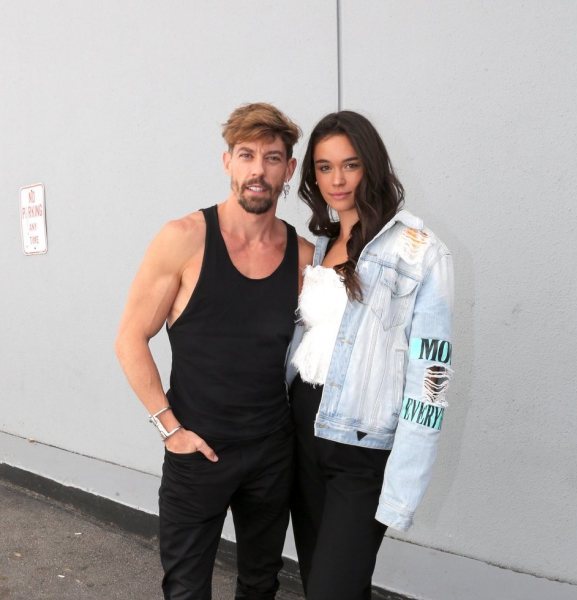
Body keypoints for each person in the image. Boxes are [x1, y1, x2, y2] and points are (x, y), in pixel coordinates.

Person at [115, 102, 313, 600]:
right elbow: (130, 338)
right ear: (227, 162)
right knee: (185, 589)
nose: (257, 170)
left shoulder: (302, 257)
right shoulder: (183, 239)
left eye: (272, 158)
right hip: (197, 450)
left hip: (271, 450)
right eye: (246, 155)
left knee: (260, 585)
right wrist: (170, 428)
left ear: (288, 169)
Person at [286, 111, 454, 599]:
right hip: (302, 434)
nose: (337, 180)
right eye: (323, 167)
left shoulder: (421, 252)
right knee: (324, 582)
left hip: (361, 447)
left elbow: (432, 376)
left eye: (350, 164)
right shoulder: (319, 246)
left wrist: (405, 482)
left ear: (372, 167)